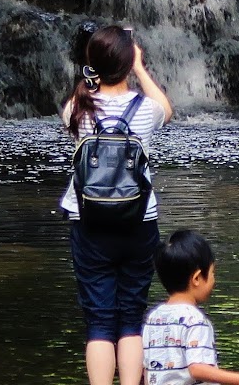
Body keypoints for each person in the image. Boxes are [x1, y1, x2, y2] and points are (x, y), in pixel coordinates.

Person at [61, 23, 175, 385]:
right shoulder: (146, 110)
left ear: (91, 64)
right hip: (138, 222)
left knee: (98, 320)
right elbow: (167, 109)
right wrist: (140, 68)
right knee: (130, 316)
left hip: (88, 222)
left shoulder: (77, 108)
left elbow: (72, 111)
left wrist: (97, 76)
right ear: (128, 64)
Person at [145, 229, 239, 385]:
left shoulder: (154, 318)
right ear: (197, 278)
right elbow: (198, 368)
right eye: (212, 272)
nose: (214, 280)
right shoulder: (194, 320)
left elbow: (148, 370)